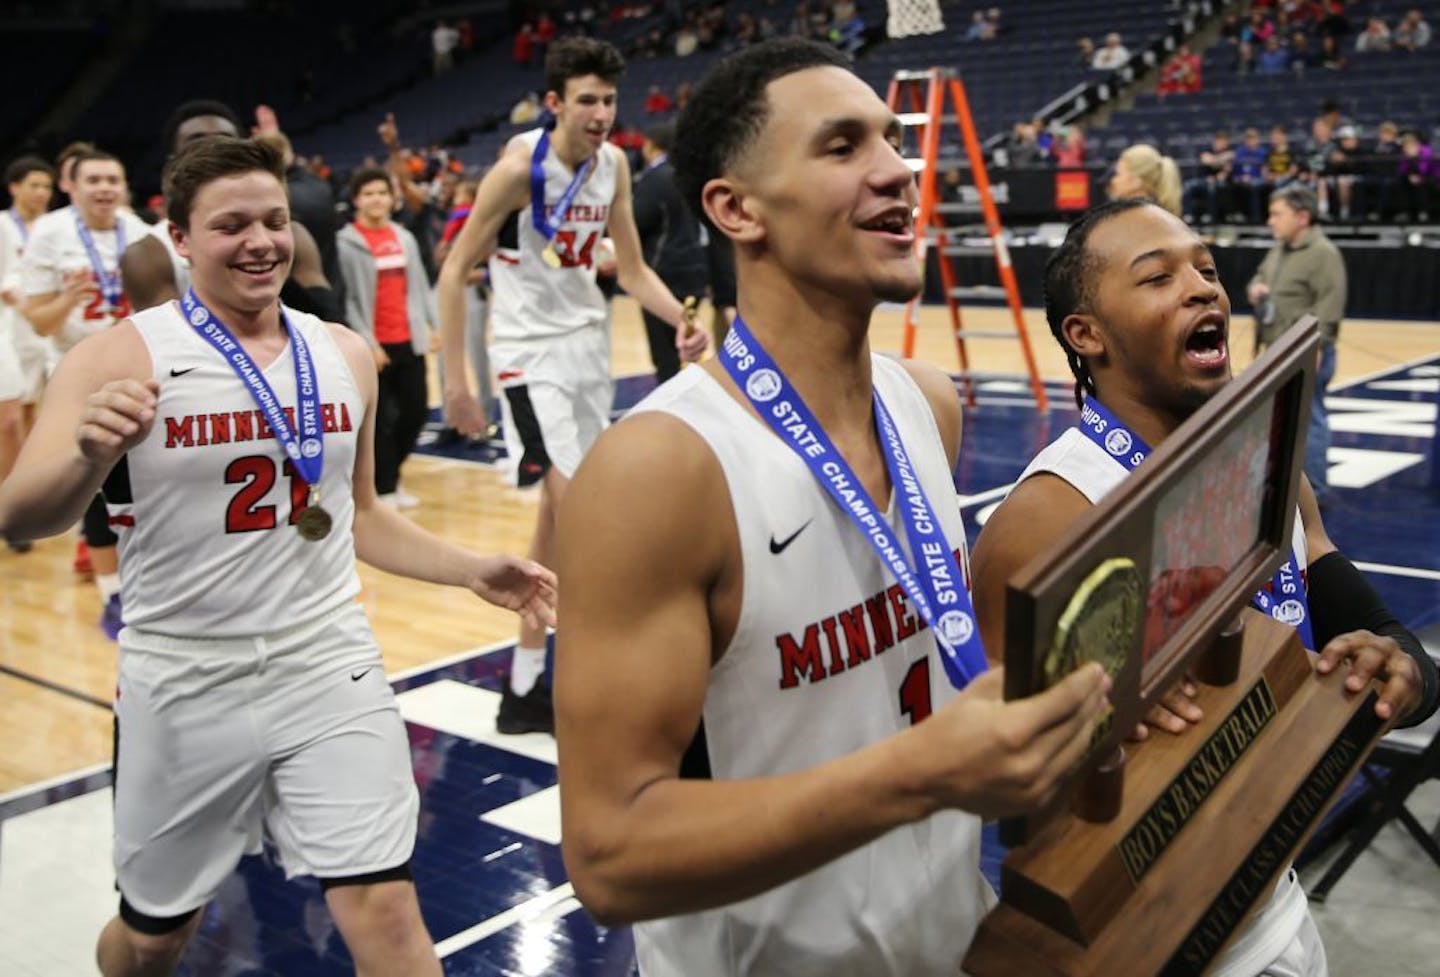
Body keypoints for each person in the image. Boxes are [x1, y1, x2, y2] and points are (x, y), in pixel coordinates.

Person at [553, 38, 1112, 976]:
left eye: (893, 142)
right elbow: (610, 856)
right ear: (735, 209)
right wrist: (921, 773)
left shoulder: (928, 402)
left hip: (954, 939)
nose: (899, 170)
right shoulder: (659, 469)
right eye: (843, 146)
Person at [0, 135, 556, 977]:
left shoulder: (343, 354)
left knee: (387, 909)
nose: (261, 241)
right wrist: (84, 450)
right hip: (183, 676)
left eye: (275, 220)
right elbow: (20, 515)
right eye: (231, 225)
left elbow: (359, 517)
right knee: (154, 940)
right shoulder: (118, 356)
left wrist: (469, 566)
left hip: (325, 662)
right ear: (179, 240)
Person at [970, 197, 1436, 977]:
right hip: (1151, 940)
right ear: (1086, 333)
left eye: (1208, 269)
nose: (1203, 289)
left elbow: (1343, 591)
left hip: (1278, 894)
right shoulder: (1051, 517)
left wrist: (1402, 666)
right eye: (1158, 277)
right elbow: (1008, 789)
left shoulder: (1267, 449)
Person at [437, 36, 709, 734]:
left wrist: (678, 316)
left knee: (555, 528)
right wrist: (456, 381)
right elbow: (453, 268)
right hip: (529, 359)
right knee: (592, 514)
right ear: (555, 103)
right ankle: (606, 688)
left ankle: (525, 688)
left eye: (609, 99)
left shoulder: (613, 163)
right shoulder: (515, 170)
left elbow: (636, 269)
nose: (600, 112)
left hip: (588, 353)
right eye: (587, 99)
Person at [20, 149, 149, 636]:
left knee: (140, 484)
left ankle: (140, 581)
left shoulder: (138, 231)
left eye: (112, 178)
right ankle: (110, 594)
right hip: (78, 369)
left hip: (138, 368)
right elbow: (36, 319)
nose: (104, 188)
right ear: (71, 185)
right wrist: (66, 300)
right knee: (96, 486)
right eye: (93, 179)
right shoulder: (50, 234)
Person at [338, 168, 434, 506]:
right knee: (378, 423)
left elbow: (420, 285)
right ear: (356, 201)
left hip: (408, 338)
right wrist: (367, 342)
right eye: (368, 194)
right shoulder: (346, 243)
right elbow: (348, 297)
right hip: (374, 344)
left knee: (415, 412)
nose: (377, 199)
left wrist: (432, 325)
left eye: (382, 192)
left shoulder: (403, 237)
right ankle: (385, 489)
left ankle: (391, 479)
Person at [1246, 184, 1345, 506]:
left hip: (1307, 352)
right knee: (1279, 415)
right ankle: (1283, 481)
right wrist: (1256, 288)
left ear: (1302, 216)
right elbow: (1257, 278)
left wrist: (1317, 347)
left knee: (1309, 416)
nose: (1270, 221)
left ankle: (1315, 490)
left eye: (1277, 214)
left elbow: (1330, 306)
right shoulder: (1278, 250)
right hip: (1277, 349)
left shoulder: (1324, 254)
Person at [0, 156, 55, 552]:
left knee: (37, 419)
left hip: (44, 330)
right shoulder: (2, 225)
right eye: (34, 185)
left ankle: (30, 500)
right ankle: (12, 506)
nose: (41, 193)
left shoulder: (56, 227)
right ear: (14, 187)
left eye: (46, 186)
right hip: (9, 328)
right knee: (10, 422)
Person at [633, 121, 709, 385]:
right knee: (690, 346)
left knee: (665, 352)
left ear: (650, 145)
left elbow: (636, 222)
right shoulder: (691, 175)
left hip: (662, 274)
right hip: (696, 270)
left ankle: (674, 411)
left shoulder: (654, 178)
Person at [1108, 143, 1183, 216]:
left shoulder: (1137, 217)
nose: (1113, 181)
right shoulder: (1157, 214)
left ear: (1137, 181)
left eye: (1117, 174)